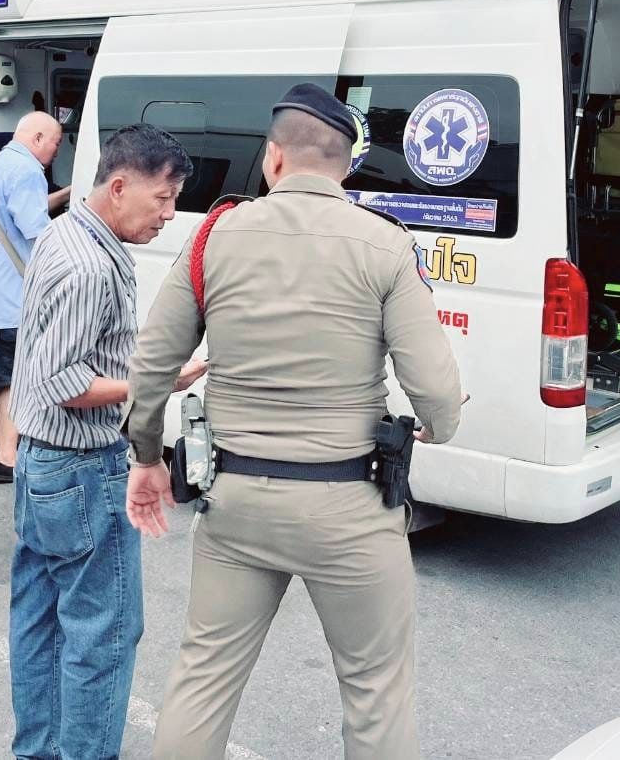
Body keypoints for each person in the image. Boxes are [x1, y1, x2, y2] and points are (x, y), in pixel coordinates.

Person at [126, 83, 466, 759]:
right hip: (350, 507)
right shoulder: (386, 244)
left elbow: (151, 367)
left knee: (203, 679)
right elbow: (435, 393)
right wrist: (439, 423)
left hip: (236, 504)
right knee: (376, 691)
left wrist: (146, 457)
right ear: (345, 166)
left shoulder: (213, 235)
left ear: (273, 158)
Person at [8, 124, 205, 760]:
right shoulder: (89, 264)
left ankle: (38, 751)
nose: (168, 215)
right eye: (162, 198)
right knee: (104, 633)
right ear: (119, 187)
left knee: (40, 619)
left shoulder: (65, 231)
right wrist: (159, 381)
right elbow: (64, 381)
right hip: (81, 469)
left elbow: (75, 350)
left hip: (41, 465)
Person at [0, 112, 70, 484]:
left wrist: (69, 193)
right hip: (11, 293)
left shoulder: (0, 164)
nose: (57, 151)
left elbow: (21, 209)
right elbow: (35, 228)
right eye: (56, 142)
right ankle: (6, 459)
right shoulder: (28, 171)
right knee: (14, 376)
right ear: (37, 138)